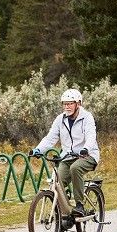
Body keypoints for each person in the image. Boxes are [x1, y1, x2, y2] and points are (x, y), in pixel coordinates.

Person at [30, 88, 100, 216]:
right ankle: (66, 213)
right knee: (56, 182)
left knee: (75, 168)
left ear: (78, 104)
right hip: (67, 157)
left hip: (87, 155)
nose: (67, 106)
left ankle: (79, 205)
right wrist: (38, 149)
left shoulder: (87, 117)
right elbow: (50, 138)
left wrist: (86, 149)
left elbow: (91, 136)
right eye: (64, 104)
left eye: (70, 103)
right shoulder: (60, 119)